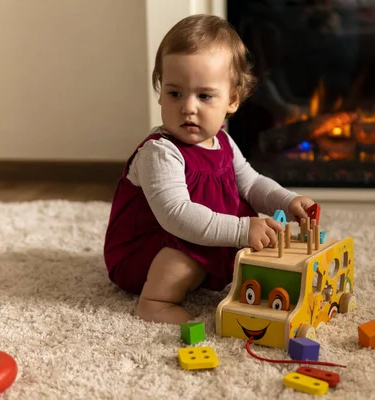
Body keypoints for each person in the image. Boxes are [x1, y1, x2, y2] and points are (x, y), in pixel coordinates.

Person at [103, 14, 316, 325]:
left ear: (231, 100)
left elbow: (253, 184)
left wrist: (286, 201)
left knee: (262, 245)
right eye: (175, 93)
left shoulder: (223, 142)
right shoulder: (160, 152)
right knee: (183, 260)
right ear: (160, 92)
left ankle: (205, 270)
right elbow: (177, 216)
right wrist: (242, 229)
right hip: (147, 252)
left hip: (204, 236)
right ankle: (156, 301)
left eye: (204, 96)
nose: (188, 106)